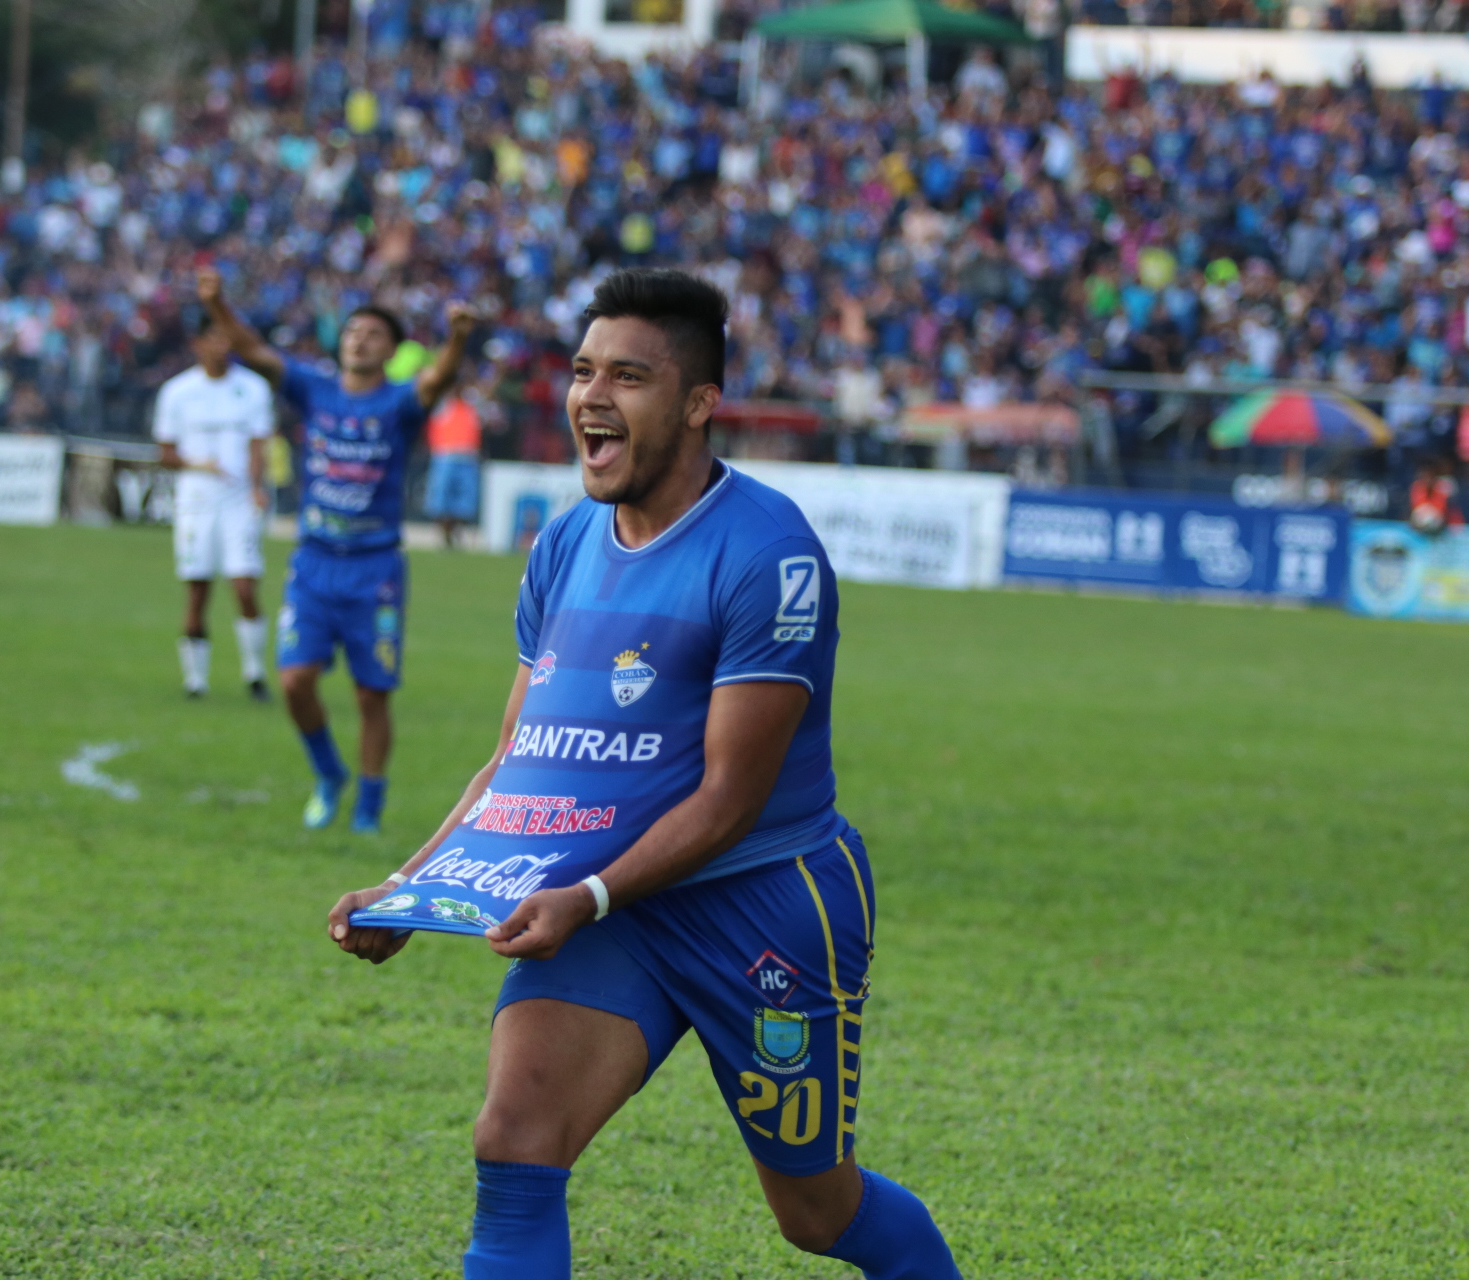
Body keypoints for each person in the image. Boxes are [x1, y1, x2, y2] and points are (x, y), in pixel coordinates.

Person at [326, 269, 961, 1280]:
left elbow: (728, 799)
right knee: (514, 1137)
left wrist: (584, 893)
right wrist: (414, 886)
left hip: (761, 906)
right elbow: (518, 757)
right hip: (609, 904)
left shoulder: (770, 555)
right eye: (583, 371)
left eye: (628, 375)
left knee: (817, 1209)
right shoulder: (566, 539)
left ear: (699, 402)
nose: (592, 395)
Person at [196, 265, 474, 832]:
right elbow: (252, 349)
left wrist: (459, 339)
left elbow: (437, 381)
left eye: (374, 334)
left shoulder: (399, 403)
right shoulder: (312, 387)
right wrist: (219, 304)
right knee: (295, 680)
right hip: (314, 561)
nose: (359, 339)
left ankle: (370, 803)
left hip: (376, 570)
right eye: (353, 331)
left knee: (372, 695)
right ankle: (329, 773)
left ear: (393, 350)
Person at [151, 313, 276, 700]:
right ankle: (195, 681)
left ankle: (254, 673)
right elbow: (166, 453)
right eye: (215, 339)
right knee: (197, 589)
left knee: (243, 585)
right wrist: (197, 464)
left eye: (227, 339)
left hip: (238, 499)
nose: (222, 347)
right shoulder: (177, 392)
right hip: (196, 501)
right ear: (199, 344)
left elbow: (258, 444)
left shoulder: (253, 389)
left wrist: (257, 486)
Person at [423, 387, 483, 547]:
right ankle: (444, 532)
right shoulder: (443, 405)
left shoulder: (472, 406)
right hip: (445, 454)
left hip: (468, 455)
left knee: (464, 499)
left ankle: (455, 531)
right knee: (441, 497)